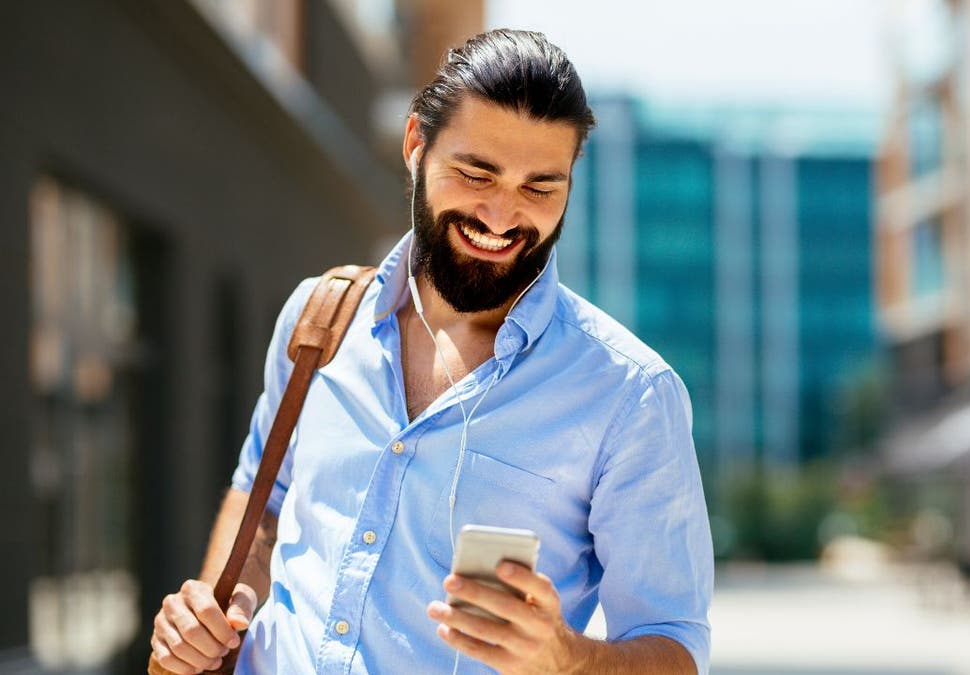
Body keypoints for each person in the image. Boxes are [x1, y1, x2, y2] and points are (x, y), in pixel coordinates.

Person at [150, 29, 713, 674]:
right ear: (416, 144)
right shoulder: (318, 320)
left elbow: (674, 647)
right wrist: (220, 611)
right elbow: (264, 501)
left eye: (540, 188)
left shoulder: (630, 395)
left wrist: (564, 657)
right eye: (476, 174)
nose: (501, 217)